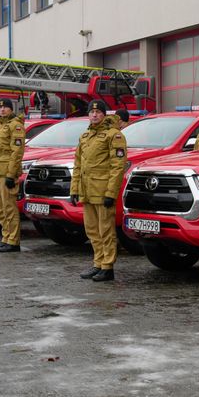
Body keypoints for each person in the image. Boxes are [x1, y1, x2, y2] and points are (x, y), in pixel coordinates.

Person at [71, 99, 126, 281]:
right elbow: (78, 165)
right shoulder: (85, 136)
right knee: (92, 230)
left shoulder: (114, 135)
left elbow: (117, 167)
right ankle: (98, 263)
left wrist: (111, 193)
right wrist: (74, 189)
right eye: (91, 112)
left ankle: (107, 267)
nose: (94, 115)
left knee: (106, 230)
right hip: (87, 191)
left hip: (103, 192)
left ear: (104, 114)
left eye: (98, 112)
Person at [0, 99, 27, 252]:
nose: (3, 110)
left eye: (6, 107)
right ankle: (5, 237)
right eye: (0, 107)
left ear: (11, 109)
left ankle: (13, 240)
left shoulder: (15, 126)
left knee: (9, 207)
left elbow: (16, 152)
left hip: (6, 173)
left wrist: (11, 175)